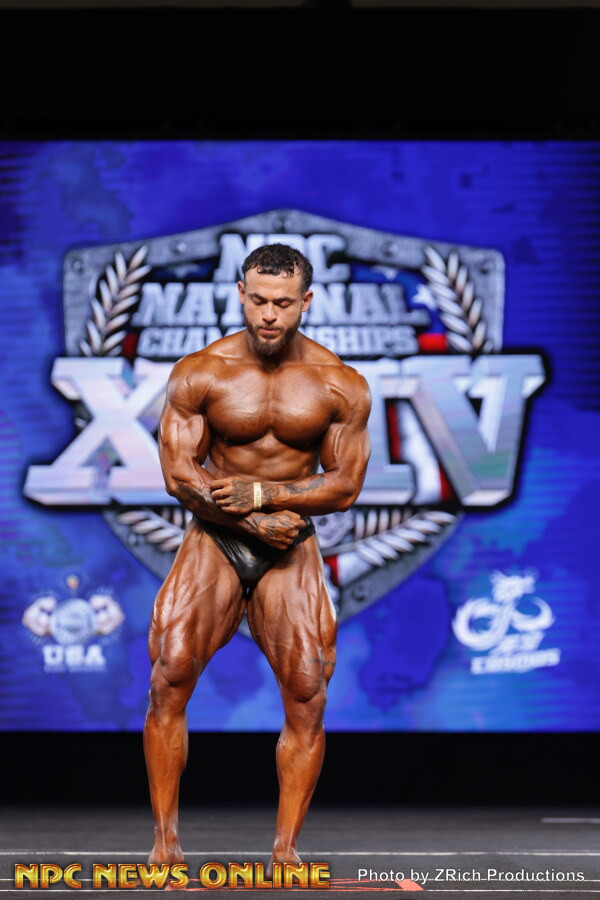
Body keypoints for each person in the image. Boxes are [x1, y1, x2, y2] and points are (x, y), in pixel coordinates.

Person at [144, 242, 371, 873]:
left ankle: (285, 851)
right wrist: (250, 518)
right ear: (241, 294)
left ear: (307, 301)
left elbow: (344, 486)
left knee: (308, 691)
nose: (269, 315)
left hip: (289, 542)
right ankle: (165, 842)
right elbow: (179, 475)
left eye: (283, 304)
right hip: (216, 535)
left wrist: (268, 496)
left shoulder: (340, 384)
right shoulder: (201, 372)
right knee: (170, 674)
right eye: (259, 301)